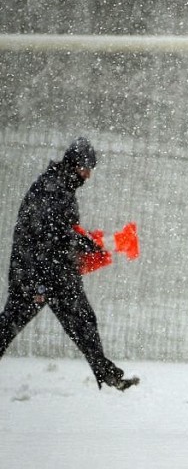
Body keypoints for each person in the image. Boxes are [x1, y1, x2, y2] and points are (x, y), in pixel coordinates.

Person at [0, 138, 138, 391]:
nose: (88, 175)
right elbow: (52, 233)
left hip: (53, 272)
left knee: (83, 320)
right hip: (39, 274)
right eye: (86, 168)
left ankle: (107, 373)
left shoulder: (60, 187)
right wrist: (90, 244)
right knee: (9, 326)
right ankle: (106, 372)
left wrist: (88, 244)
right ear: (74, 164)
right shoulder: (52, 188)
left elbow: (60, 232)